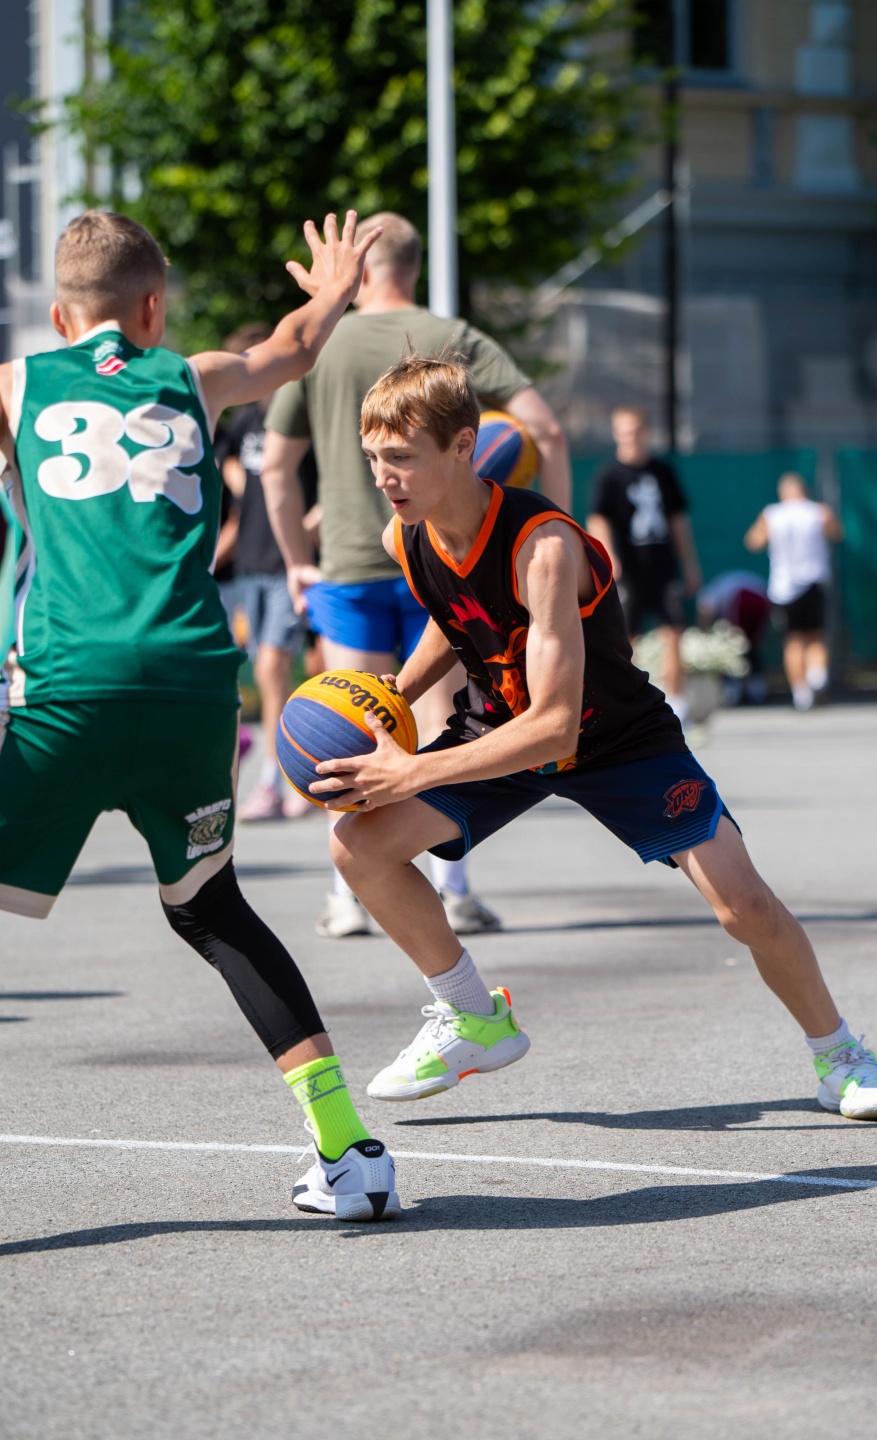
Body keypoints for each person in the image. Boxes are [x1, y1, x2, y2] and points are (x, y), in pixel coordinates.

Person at [307, 355, 877, 1124]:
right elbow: (454, 615)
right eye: (373, 458)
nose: (383, 477)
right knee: (358, 847)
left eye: (400, 457)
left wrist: (413, 773)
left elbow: (554, 725)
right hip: (502, 728)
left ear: (463, 447)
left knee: (745, 907)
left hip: (616, 738)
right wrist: (396, 694)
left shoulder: (543, 547)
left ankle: (841, 1056)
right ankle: (471, 1015)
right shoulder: (408, 536)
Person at [0, 208, 400, 1221]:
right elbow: (294, 347)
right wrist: (335, 287)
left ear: (59, 317)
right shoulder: (194, 375)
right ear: (154, 307)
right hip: (191, 687)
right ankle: (351, 1154)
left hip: (68, 683)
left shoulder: (16, 383)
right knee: (211, 909)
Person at [262, 210, 573, 939]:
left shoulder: (324, 343)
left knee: (349, 723)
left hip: (347, 559)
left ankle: (347, 896)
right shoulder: (452, 337)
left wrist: (297, 560)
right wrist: (545, 529)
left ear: (362, 266)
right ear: (414, 265)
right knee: (441, 721)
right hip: (455, 551)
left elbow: (276, 466)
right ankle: (452, 888)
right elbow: (545, 428)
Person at [216, 322, 316, 820]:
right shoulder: (247, 421)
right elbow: (229, 462)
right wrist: (241, 490)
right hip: (250, 564)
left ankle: (276, 782)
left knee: (276, 667)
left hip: (287, 565)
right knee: (266, 671)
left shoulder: (302, 417)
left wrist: (305, 532)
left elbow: (331, 488)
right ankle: (294, 775)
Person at [587, 405, 701, 727]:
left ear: (646, 432)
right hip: (628, 572)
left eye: (635, 431)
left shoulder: (663, 472)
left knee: (674, 633)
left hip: (662, 569)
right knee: (625, 640)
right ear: (616, 434)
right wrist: (609, 557)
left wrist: (690, 564)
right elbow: (598, 519)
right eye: (624, 432)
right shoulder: (609, 475)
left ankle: (678, 706)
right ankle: (626, 706)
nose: (630, 438)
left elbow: (678, 521)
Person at [744, 473, 842, 711]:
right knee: (816, 636)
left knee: (793, 640)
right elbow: (837, 533)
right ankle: (817, 675)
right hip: (813, 583)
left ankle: (801, 693)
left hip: (784, 587)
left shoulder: (772, 514)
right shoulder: (819, 511)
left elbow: (753, 542)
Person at [697, 570, 771, 706]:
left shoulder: (709, 596)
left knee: (734, 647)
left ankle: (734, 690)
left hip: (743, 598)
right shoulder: (721, 587)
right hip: (762, 599)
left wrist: (704, 633)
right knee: (751, 646)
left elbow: (705, 616)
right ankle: (756, 689)